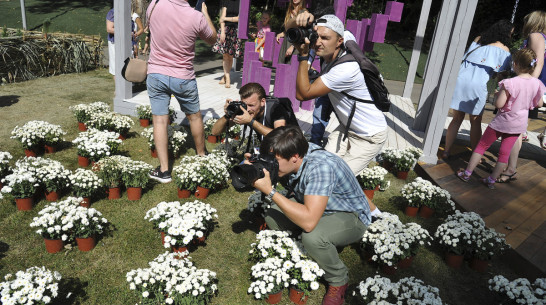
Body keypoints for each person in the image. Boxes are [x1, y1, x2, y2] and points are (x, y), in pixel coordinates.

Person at [251, 126, 370, 305]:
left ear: (294, 157)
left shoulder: (320, 168)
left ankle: (338, 279)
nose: (271, 164)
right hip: (316, 207)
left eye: (274, 161)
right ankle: (311, 247)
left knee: (312, 236)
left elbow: (308, 223)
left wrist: (269, 190)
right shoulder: (293, 154)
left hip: (350, 215)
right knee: (271, 213)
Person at [291, 14, 386, 216]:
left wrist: (302, 56)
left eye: (326, 38)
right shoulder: (343, 37)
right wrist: (310, 18)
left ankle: (376, 216)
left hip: (369, 136)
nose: (319, 42)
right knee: (322, 170)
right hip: (347, 129)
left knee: (337, 181)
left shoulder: (345, 69)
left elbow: (302, 94)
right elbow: (329, 26)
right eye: (316, 36)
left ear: (339, 41)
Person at [146, 0, 217, 183]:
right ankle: (201, 155)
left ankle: (164, 171)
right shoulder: (196, 16)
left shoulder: (154, 5)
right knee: (194, 116)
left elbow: (150, 28)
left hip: (156, 73)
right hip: (183, 76)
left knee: (160, 121)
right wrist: (205, 12)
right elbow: (212, 38)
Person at [457, 49, 545, 189]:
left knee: (482, 146)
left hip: (502, 122)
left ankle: (467, 173)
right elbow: (539, 104)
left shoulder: (510, 82)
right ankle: (491, 180)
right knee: (504, 153)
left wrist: (498, 95)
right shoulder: (537, 83)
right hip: (519, 124)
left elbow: (499, 104)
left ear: (515, 64)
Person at [443, 20, 513, 159]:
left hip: (460, 80)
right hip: (477, 85)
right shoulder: (504, 50)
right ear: (506, 33)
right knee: (475, 121)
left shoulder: (478, 39)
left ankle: (446, 151)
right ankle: (476, 155)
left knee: (457, 118)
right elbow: (501, 74)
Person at [503, 10, 546, 179]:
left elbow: (539, 63)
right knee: (517, 127)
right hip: (534, 85)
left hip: (530, 85)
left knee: (515, 127)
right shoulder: (541, 37)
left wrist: (527, 85)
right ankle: (508, 164)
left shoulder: (536, 35)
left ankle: (510, 167)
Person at [210, 82, 298, 144]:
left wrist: (251, 122)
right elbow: (215, 132)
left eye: (251, 105)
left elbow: (280, 137)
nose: (247, 109)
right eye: (245, 104)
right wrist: (228, 114)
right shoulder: (245, 110)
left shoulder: (276, 108)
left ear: (263, 101)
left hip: (290, 152)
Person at [212, 0, 243, 88]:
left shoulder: (242, 2)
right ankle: (228, 78)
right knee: (225, 55)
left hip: (236, 31)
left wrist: (226, 19)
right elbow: (221, 18)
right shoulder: (227, 2)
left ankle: (225, 76)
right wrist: (222, 32)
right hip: (226, 30)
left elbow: (239, 18)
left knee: (230, 55)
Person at [106, 4, 115, 77]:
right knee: (115, 66)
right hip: (114, 42)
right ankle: (118, 88)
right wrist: (125, 31)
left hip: (127, 42)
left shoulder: (129, 12)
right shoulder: (112, 12)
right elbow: (109, 29)